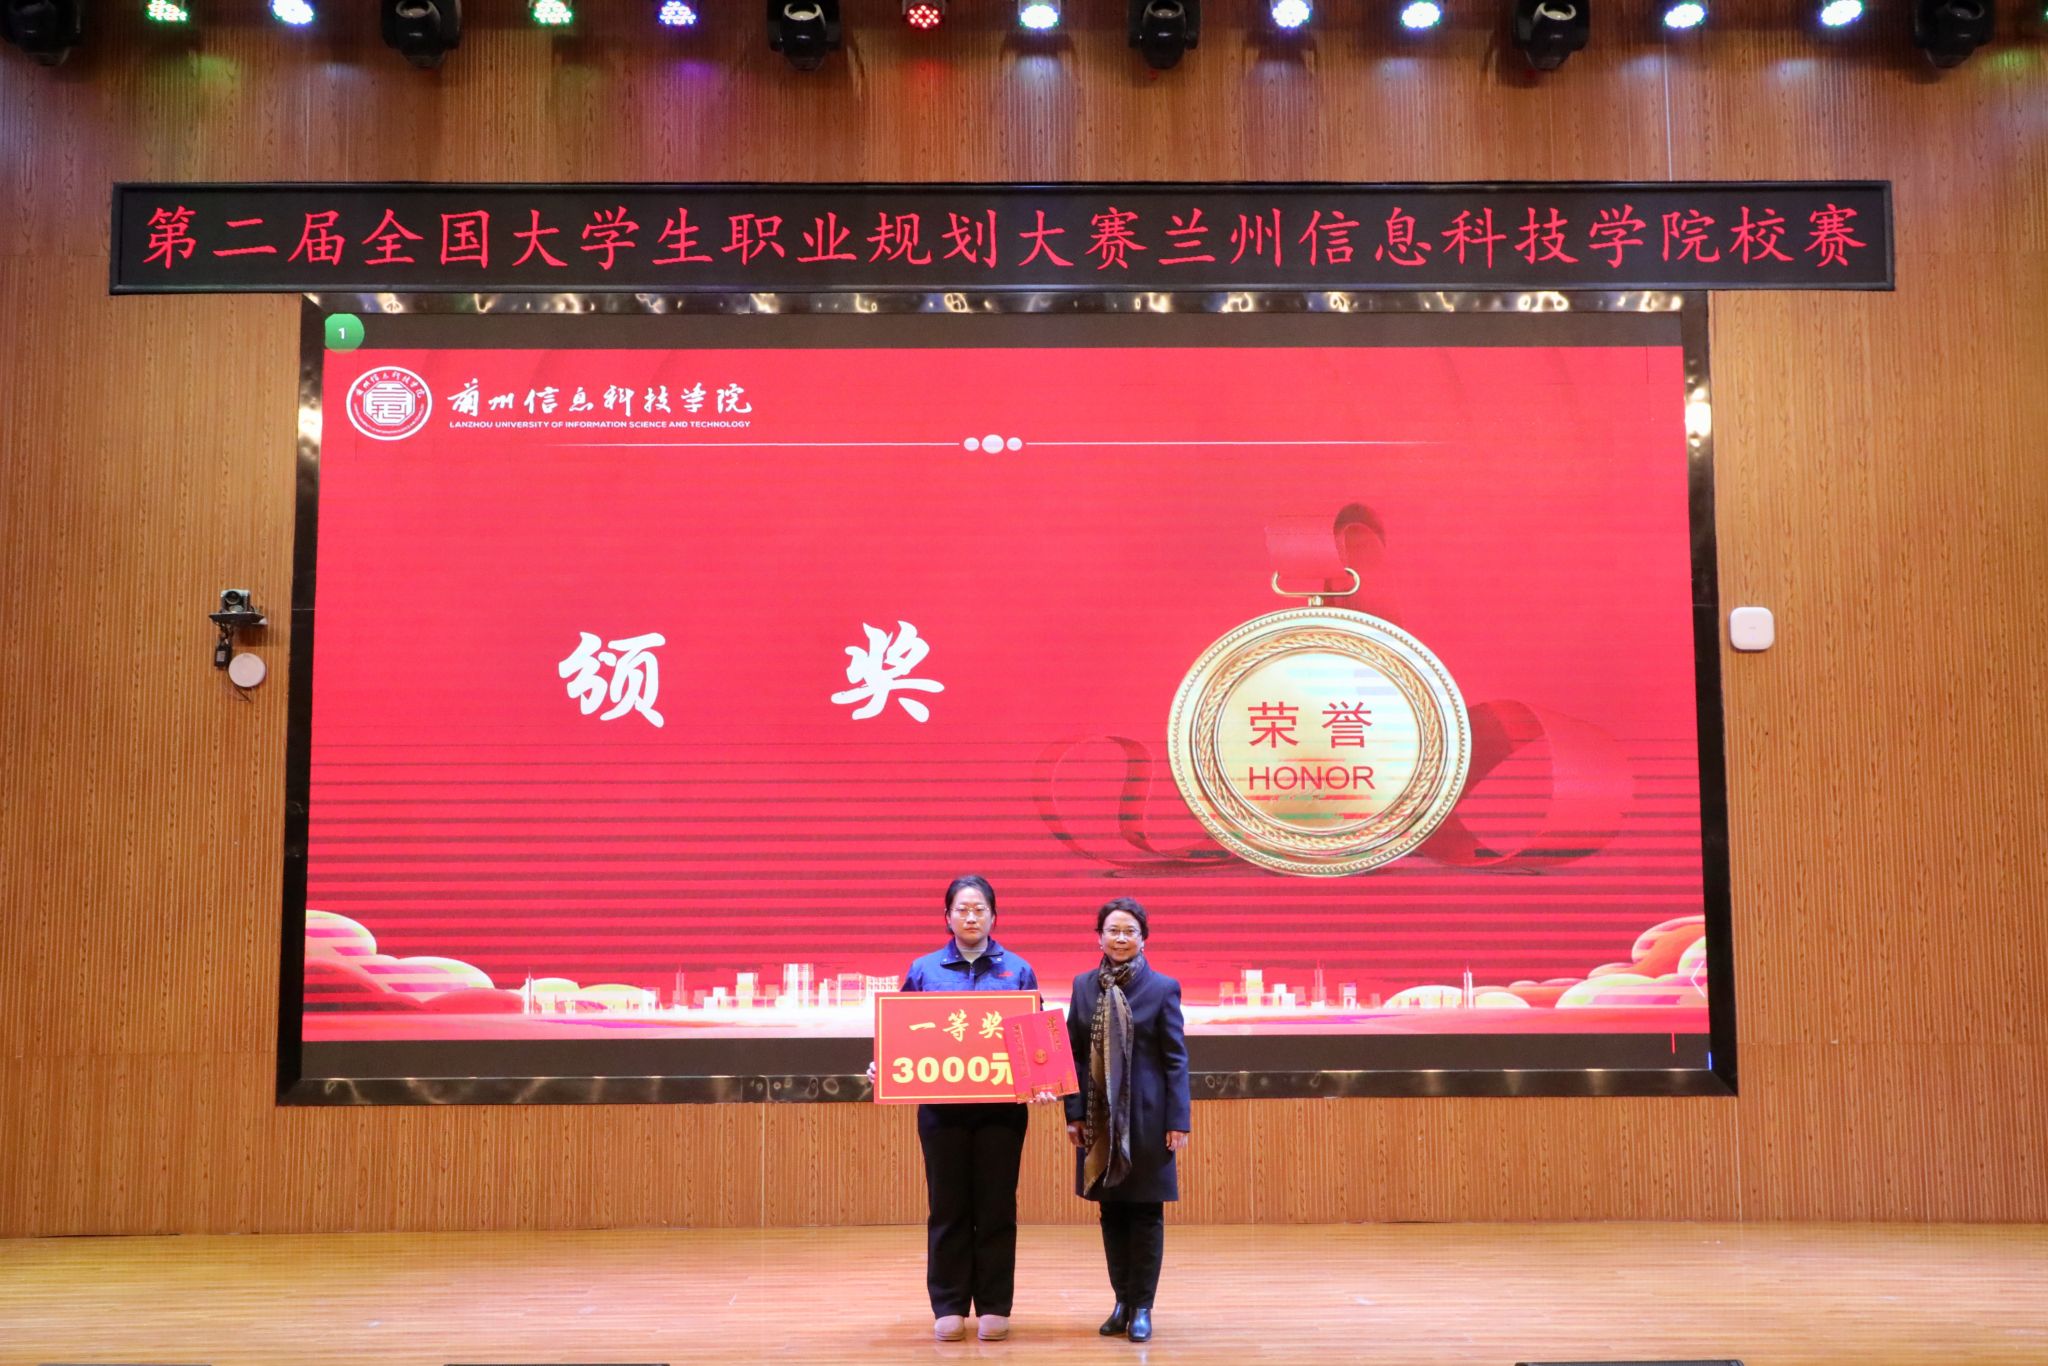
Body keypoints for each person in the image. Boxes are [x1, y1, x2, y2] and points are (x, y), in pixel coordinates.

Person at [895, 875, 1047, 1343]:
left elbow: (1038, 1042)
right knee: (947, 1207)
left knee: (997, 1206)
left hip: (1001, 1112)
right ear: (947, 916)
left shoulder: (1018, 970)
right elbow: (901, 1033)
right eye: (962, 909)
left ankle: (995, 1305)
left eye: (979, 909)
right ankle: (949, 1305)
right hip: (942, 1111)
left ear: (994, 916)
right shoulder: (924, 970)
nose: (971, 916)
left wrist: (1044, 1080)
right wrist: (886, 1065)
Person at [1064, 896, 1190, 1344]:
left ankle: (1142, 1307)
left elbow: (1175, 1059)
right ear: (1099, 937)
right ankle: (1120, 1301)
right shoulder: (1083, 986)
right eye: (1113, 930)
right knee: (1111, 1212)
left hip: (1148, 1120)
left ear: (1143, 939)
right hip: (1098, 1120)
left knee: (1146, 1212)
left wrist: (1178, 1119)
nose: (1120, 938)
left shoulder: (1163, 988)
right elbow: (1074, 1055)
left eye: (1129, 931)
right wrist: (1074, 1113)